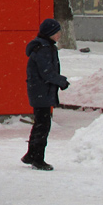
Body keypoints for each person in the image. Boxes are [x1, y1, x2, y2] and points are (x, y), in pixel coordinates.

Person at [22, 18, 70, 171]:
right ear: (50, 33)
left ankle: (31, 155)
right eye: (57, 32)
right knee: (43, 126)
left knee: (40, 124)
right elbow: (47, 72)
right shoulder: (43, 49)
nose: (59, 34)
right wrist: (62, 82)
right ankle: (38, 158)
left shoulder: (45, 47)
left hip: (41, 91)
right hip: (41, 91)